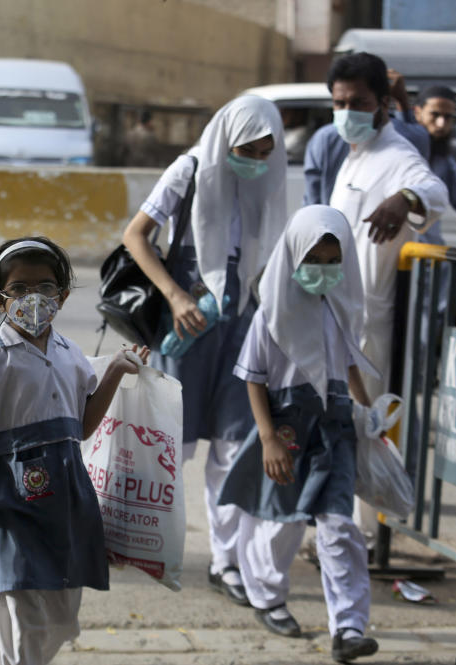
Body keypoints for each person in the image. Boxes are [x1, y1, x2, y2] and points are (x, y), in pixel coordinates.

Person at [0, 237, 148, 665]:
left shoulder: (71, 355)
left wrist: (116, 370)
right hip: (14, 501)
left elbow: (81, 426)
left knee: (63, 613)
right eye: (19, 289)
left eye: (45, 288)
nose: (33, 299)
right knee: (20, 602)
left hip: (67, 497)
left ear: (62, 296)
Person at [121, 95, 287, 606]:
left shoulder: (264, 182)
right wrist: (174, 295)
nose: (255, 161)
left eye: (265, 152)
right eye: (247, 149)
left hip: (240, 322)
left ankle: (226, 560)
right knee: (172, 444)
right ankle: (138, 537)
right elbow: (136, 236)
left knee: (235, 445)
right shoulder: (189, 169)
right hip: (187, 321)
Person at [218, 205, 381, 662]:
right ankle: (267, 597)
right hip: (289, 429)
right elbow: (252, 377)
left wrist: (366, 411)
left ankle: (347, 627)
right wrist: (269, 438)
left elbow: (348, 363)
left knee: (338, 525)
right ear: (293, 255)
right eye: (315, 262)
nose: (325, 272)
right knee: (281, 523)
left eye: (334, 263)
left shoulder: (343, 305)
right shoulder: (272, 313)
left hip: (336, 430)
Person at [326, 52, 447, 551]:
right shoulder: (353, 152)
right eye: (339, 102)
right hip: (332, 320)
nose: (348, 109)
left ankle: (365, 538)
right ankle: (340, 534)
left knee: (367, 430)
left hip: (367, 328)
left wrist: (406, 201)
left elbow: (433, 190)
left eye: (358, 102)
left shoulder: (397, 156)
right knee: (338, 432)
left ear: (381, 105)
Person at [303, 69, 430, 208]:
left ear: (383, 102)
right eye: (340, 103)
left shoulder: (400, 149)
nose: (348, 112)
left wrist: (405, 198)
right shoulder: (325, 139)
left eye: (358, 103)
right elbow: (312, 201)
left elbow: (431, 188)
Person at [414, 85, 456, 219]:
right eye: (434, 115)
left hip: (427, 239)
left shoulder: (444, 161)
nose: (441, 124)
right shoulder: (401, 149)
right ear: (418, 112)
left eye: (447, 117)